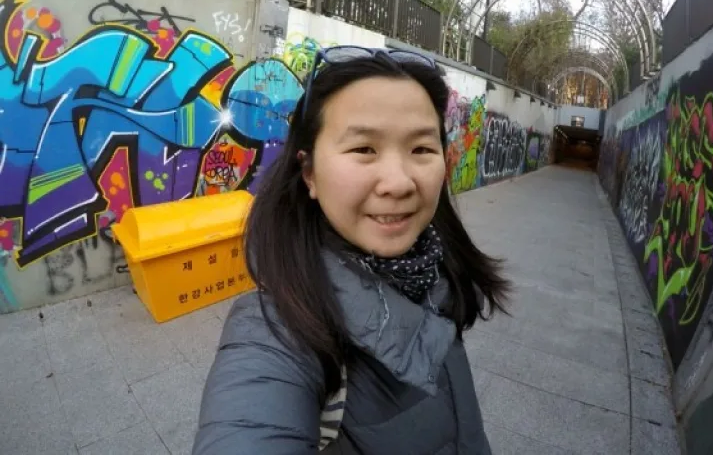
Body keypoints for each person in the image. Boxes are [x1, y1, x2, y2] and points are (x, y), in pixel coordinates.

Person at [192, 46, 512, 454]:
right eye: (364, 149)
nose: (398, 182)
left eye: (421, 149)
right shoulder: (276, 331)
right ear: (309, 172)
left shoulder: (435, 275)